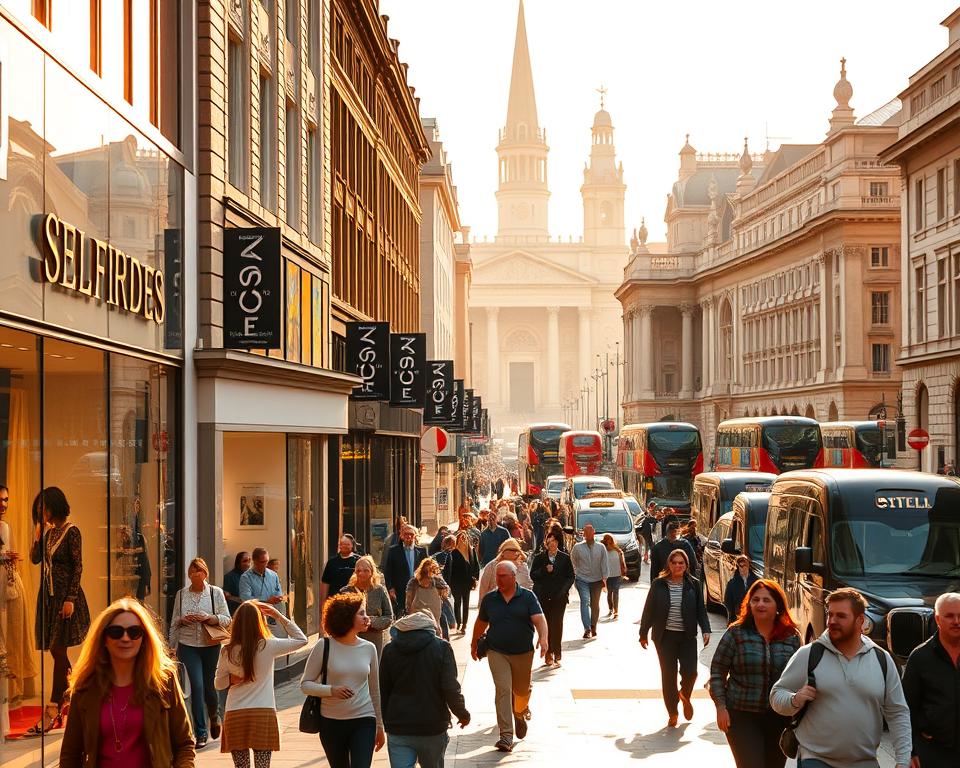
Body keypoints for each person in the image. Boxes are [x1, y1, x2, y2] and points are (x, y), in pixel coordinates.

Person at [770, 588, 911, 768]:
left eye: (841, 616)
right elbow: (776, 696)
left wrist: (903, 760)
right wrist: (795, 699)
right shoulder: (809, 654)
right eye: (830, 614)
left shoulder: (882, 660)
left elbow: (898, 712)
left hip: (865, 762)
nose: (832, 621)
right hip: (815, 759)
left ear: (860, 620)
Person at [58, 597, 195, 767]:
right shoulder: (86, 686)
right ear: (104, 639)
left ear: (144, 639)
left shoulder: (164, 682)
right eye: (116, 632)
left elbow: (184, 745)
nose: (125, 638)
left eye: (134, 632)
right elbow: (70, 755)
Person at [709, 579, 801, 768]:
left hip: (779, 717)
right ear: (749, 604)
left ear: (778, 605)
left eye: (766, 600)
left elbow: (800, 677)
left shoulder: (791, 636)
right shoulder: (736, 633)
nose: (760, 604)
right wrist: (720, 707)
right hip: (741, 716)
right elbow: (717, 672)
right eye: (755, 599)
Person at [28, 486, 91, 735]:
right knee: (57, 651)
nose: (40, 512)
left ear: (54, 506)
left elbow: (78, 567)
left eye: (42, 508)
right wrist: (37, 534)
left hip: (66, 598)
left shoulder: (71, 531)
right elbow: (35, 559)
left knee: (57, 648)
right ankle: (76, 692)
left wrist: (71, 598)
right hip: (49, 598)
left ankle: (55, 705)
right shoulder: (49, 534)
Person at [216, 601, 307, 767]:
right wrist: (279, 616)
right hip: (263, 712)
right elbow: (302, 640)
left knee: (241, 766)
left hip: (235, 713)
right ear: (259, 621)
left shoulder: (227, 650)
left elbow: (218, 684)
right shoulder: (269, 645)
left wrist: (231, 679)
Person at [470, 561, 548, 753]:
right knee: (503, 689)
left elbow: (539, 618)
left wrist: (544, 638)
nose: (499, 580)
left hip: (523, 652)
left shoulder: (527, 597)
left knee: (521, 691)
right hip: (497, 650)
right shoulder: (490, 599)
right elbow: (481, 623)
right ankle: (506, 735)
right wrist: (474, 643)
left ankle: (519, 713)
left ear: (514, 577)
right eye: (497, 576)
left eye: (503, 576)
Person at [300, 592, 385, 768]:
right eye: (361, 613)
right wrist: (331, 690)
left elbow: (375, 690)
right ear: (346, 617)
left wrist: (379, 726)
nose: (366, 617)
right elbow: (305, 684)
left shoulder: (369, 648)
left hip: (364, 720)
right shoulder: (324, 646)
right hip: (331, 723)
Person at [380, 610, 470, 768]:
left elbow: (384, 690)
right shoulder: (442, 647)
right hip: (432, 726)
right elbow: (450, 688)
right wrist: (462, 714)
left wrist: (387, 722)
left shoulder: (389, 650)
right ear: (431, 628)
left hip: (399, 726)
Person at [638, 548, 711, 727]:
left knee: (691, 672)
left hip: (687, 636)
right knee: (668, 675)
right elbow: (649, 609)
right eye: (674, 562)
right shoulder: (659, 584)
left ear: (686, 565)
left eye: (681, 563)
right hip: (664, 637)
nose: (678, 566)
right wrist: (643, 633)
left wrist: (706, 629)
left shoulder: (693, 583)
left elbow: (701, 609)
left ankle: (685, 694)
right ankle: (672, 712)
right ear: (669, 564)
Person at [169, 556, 231, 748]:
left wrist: (208, 618)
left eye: (198, 570)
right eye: (192, 570)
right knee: (196, 685)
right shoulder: (181, 594)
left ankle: (214, 714)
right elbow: (174, 621)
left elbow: (227, 619)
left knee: (209, 687)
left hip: (210, 644)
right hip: (187, 645)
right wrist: (172, 645)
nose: (194, 573)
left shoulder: (215, 593)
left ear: (205, 573)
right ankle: (201, 733)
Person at [902, 592, 960, 767]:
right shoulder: (920, 657)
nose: (956, 621)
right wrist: (910, 751)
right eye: (949, 616)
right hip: (933, 752)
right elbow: (906, 708)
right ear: (937, 619)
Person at [529, 531, 575, 667]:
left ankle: (557, 653)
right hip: (544, 597)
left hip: (559, 597)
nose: (552, 544)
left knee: (557, 624)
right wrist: (544, 570)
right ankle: (548, 653)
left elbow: (571, 576)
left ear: (557, 542)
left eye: (554, 541)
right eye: (549, 542)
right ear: (546, 543)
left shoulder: (565, 558)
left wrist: (564, 590)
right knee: (546, 625)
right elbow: (533, 575)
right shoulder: (540, 558)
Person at [339, 555, 394, 657]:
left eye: (365, 570)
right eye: (358, 570)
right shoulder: (346, 591)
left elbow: (389, 616)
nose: (361, 573)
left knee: (372, 668)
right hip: (352, 638)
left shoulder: (379, 590)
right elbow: (340, 617)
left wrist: (371, 621)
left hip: (374, 638)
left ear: (372, 572)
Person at [571, 523, 608, 639]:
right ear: (584, 534)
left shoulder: (601, 547)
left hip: (596, 580)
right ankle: (587, 628)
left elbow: (604, 563)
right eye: (586, 533)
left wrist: (604, 578)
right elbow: (574, 561)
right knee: (585, 601)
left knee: (595, 604)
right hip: (582, 579)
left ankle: (593, 626)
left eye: (590, 532)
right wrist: (578, 572)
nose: (588, 535)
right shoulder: (577, 547)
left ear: (594, 533)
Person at [382, 525, 427, 618]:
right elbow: (388, 571)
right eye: (406, 534)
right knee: (401, 616)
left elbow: (427, 570)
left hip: (418, 589)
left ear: (415, 536)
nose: (409, 536)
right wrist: (390, 588)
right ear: (401, 536)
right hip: (400, 590)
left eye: (411, 534)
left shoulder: (422, 551)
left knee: (418, 615)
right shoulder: (393, 551)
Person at [239, 548, 286, 635]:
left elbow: (278, 592)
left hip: (274, 619)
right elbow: (245, 598)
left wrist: (279, 598)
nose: (265, 564)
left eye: (267, 561)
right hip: (256, 619)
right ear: (254, 561)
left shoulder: (273, 575)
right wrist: (266, 600)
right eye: (262, 562)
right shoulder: (246, 577)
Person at [405, 558, 450, 635]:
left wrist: (443, 591)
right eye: (425, 574)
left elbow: (446, 594)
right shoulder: (413, 583)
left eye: (430, 575)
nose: (427, 580)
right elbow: (408, 602)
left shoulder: (437, 582)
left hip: (435, 623)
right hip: (417, 623)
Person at [448, 531, 479, 635]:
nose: (463, 539)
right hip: (456, 582)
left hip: (467, 582)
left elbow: (476, 566)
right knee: (457, 603)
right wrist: (449, 583)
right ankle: (458, 622)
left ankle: (464, 625)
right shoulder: (453, 553)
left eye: (465, 537)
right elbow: (450, 569)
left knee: (466, 604)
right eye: (461, 538)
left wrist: (475, 578)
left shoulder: (471, 550)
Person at [321, 536, 362, 606]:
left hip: (353, 602)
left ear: (352, 545)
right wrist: (323, 603)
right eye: (342, 544)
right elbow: (325, 583)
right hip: (334, 601)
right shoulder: (332, 562)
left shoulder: (359, 561)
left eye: (347, 544)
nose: (344, 546)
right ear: (339, 545)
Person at [724, 555, 758, 625]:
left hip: (753, 617)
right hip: (737, 617)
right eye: (740, 566)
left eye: (744, 566)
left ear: (748, 566)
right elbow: (727, 601)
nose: (742, 568)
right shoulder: (732, 583)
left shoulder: (756, 581)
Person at [601, 533, 627, 619]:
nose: (608, 541)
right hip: (607, 576)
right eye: (607, 539)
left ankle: (616, 611)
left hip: (617, 575)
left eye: (610, 539)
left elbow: (622, 563)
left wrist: (623, 572)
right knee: (609, 593)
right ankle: (610, 608)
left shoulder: (618, 551)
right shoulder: (603, 551)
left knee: (616, 592)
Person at [223, 551, 251, 617]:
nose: (248, 563)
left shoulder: (251, 576)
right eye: (245, 561)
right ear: (238, 563)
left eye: (249, 560)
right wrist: (244, 601)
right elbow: (227, 596)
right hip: (236, 612)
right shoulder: (230, 577)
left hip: (250, 611)